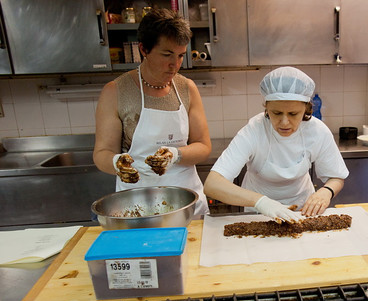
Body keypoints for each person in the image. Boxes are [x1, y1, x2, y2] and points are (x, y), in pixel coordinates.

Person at [94, 8, 211, 215]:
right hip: (137, 206)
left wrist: (176, 154)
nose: (174, 65)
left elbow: (203, 146)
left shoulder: (187, 88)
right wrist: (116, 163)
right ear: (144, 49)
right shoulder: (116, 91)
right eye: (167, 54)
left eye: (181, 55)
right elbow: (102, 153)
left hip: (187, 203)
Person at [203, 67, 349, 222]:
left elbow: (336, 177)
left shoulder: (317, 131)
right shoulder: (254, 130)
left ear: (306, 108)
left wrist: (326, 192)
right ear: (266, 107)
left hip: (302, 212)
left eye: (293, 114)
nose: (284, 122)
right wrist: (262, 202)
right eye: (276, 113)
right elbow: (212, 184)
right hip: (259, 214)